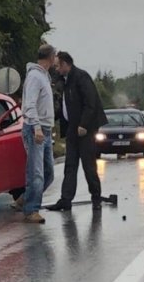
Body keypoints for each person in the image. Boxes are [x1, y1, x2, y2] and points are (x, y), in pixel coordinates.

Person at [48, 51, 108, 211]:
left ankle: (96, 197)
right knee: (70, 165)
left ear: (66, 64)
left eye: (57, 66)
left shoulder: (81, 77)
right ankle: (66, 199)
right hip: (71, 128)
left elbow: (91, 103)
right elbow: (64, 104)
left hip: (85, 129)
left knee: (89, 165)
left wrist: (84, 124)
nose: (56, 69)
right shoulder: (64, 81)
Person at [16, 44, 56, 224]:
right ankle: (31, 209)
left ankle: (25, 198)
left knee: (48, 173)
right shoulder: (34, 77)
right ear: (50, 57)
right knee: (36, 172)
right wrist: (37, 128)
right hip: (35, 129)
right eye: (55, 57)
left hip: (45, 129)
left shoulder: (44, 77)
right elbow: (29, 105)